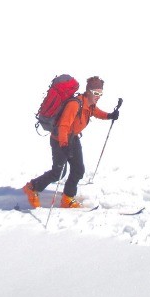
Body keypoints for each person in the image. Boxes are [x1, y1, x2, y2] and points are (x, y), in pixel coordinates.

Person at [23, 76, 119, 208]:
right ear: (89, 91)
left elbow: (95, 112)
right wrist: (63, 145)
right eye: (96, 93)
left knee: (78, 169)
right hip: (59, 140)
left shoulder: (89, 105)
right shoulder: (75, 104)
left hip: (72, 138)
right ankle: (32, 187)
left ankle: (67, 198)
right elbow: (63, 126)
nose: (99, 96)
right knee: (59, 172)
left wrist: (109, 115)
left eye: (101, 93)